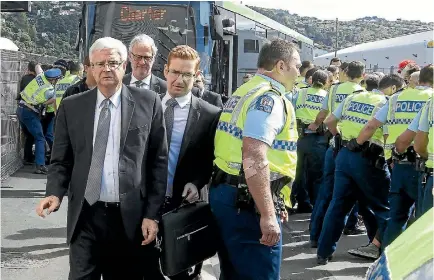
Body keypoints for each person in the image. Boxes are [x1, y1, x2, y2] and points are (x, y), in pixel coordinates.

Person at [35, 37, 168, 280]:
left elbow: (158, 163)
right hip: (85, 214)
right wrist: (54, 193)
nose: (106, 69)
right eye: (100, 64)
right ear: (91, 68)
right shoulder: (72, 106)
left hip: (129, 218)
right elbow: (61, 159)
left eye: (113, 63)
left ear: (124, 66)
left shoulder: (149, 103)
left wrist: (152, 214)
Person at [211, 39, 300, 279]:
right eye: (296, 66)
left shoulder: (246, 90)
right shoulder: (269, 99)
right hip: (248, 203)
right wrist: (268, 214)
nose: (299, 73)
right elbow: (253, 154)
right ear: (281, 66)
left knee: (233, 273)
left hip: (227, 194)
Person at [349, 69, 432, 259]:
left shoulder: (395, 99)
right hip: (423, 166)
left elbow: (374, 126)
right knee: (422, 218)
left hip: (398, 162)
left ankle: (387, 260)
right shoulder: (430, 100)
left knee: (396, 215)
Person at [156, 45, 221, 280]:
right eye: (175, 72)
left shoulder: (210, 114)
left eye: (187, 74)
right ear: (165, 71)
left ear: (196, 76)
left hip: (183, 205)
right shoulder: (145, 106)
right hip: (145, 204)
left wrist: (197, 182)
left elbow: (211, 159)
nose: (179, 79)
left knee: (181, 272)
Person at [317, 70, 391, 264]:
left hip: (344, 154)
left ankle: (323, 252)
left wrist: (339, 138)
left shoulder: (352, 98)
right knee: (382, 206)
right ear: (385, 88)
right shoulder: (384, 102)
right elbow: (380, 132)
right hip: (368, 158)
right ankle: (386, 253)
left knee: (338, 205)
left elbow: (330, 121)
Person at [309, 62, 370, 247]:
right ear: (362, 75)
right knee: (351, 190)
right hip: (355, 147)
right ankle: (350, 225)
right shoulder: (363, 93)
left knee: (327, 191)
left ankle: (315, 234)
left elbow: (323, 115)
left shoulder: (334, 90)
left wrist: (334, 134)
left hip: (335, 144)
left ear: (344, 73)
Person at [292, 70, 330, 214]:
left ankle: (303, 203)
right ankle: (317, 207)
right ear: (326, 82)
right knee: (317, 176)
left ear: (311, 80)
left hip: (300, 137)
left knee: (299, 173)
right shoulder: (327, 95)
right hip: (319, 139)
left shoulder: (300, 93)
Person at [17, 68, 62, 174]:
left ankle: (29, 159)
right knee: (40, 138)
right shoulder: (49, 90)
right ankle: (40, 166)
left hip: (21, 108)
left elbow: (38, 69)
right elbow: (54, 99)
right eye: (57, 79)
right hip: (29, 113)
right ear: (53, 80)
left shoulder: (40, 77)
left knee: (31, 136)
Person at [18, 61, 42, 164]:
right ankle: (40, 163)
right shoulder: (36, 80)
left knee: (29, 135)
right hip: (30, 110)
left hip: (21, 109)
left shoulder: (24, 78)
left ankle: (27, 158)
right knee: (39, 137)